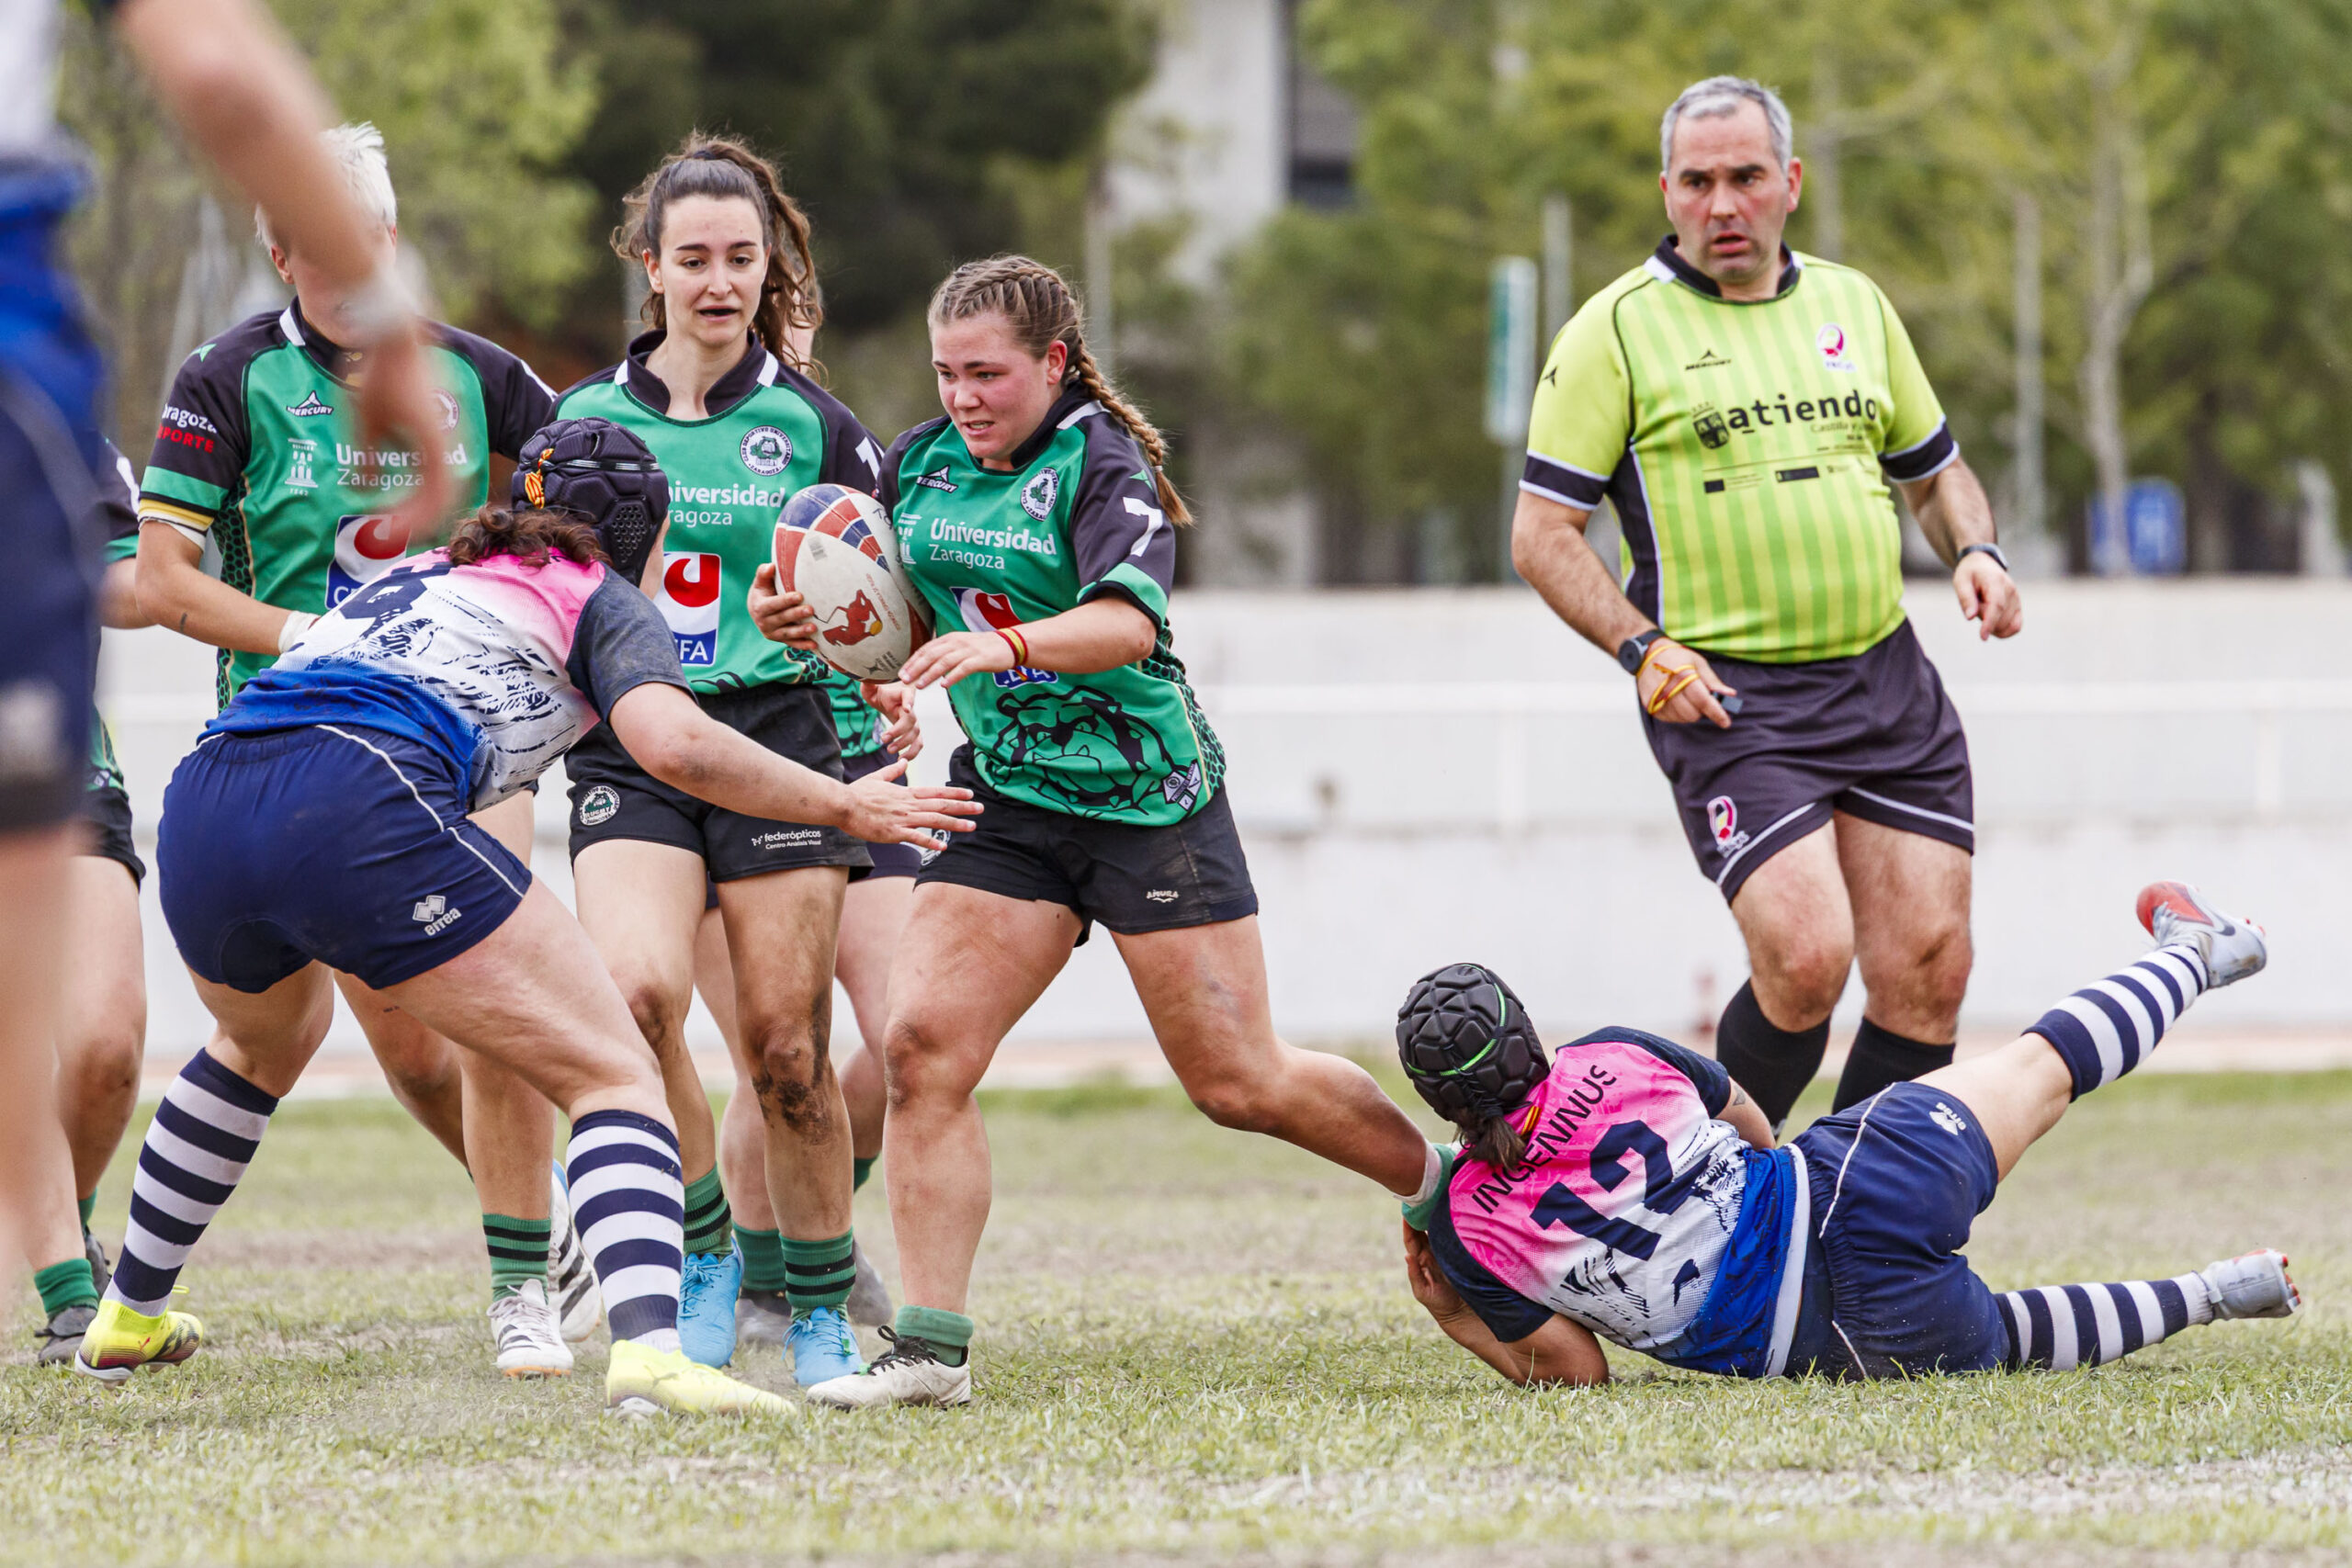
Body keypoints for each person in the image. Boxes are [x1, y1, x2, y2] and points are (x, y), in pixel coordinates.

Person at [74, 418, 976, 1415]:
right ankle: (651, 1350)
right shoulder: (604, 597)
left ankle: (131, 1309)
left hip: (208, 797)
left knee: (259, 1045)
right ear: (647, 530)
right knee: (611, 1069)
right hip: (354, 789)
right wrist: (845, 800)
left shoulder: (427, 570)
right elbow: (673, 745)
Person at [751, 254, 1449, 1410]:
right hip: (1012, 802)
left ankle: (1446, 1191)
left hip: (1144, 801)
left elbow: (1126, 623)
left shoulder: (1097, 463)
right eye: (946, 373)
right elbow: (910, 612)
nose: (964, 396)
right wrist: (824, 628)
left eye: (989, 374)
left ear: (1054, 366)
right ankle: (931, 1351)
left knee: (1236, 1082)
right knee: (922, 1051)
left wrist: (1006, 647)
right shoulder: (918, 464)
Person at [0, 0, 452, 1286]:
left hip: (361, 734)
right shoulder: (231, 371)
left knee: (124, 1036)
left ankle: (63, 1273)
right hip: (14, 346)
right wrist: (395, 326)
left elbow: (139, 583)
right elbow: (222, 74)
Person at [130, 122, 596, 1369]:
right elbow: (168, 580)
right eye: (309, 245)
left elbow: (593, 504)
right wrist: (310, 633)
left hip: (458, 733)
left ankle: (522, 1289)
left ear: (389, 239)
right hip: (292, 741)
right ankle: (544, 1239)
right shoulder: (224, 379)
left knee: (496, 1003)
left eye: (362, 242)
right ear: (277, 250)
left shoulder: (481, 377)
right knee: (404, 1043)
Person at [1509, 75, 2024, 1133]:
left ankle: (1859, 1232)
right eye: (1697, 182)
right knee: (1804, 959)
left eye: (1745, 177)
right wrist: (1640, 648)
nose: (1723, 204)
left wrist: (1973, 549)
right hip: (1728, 700)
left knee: (1929, 967)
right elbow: (1539, 536)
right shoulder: (1613, 331)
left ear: (1789, 183)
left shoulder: (1853, 305)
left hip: (1884, 682)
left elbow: (1933, 473)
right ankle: (1697, 1194)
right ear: (1668, 192)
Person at [1393, 884, 2298, 1386]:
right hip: (1852, 1182)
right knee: (2040, 1070)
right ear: (1525, 1031)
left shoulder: (1465, 1228)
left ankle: (2216, 1293)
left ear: (1440, 1102)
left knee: (2010, 1339)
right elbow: (1745, 1115)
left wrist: (1453, 1314)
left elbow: (1573, 1375)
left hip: (1829, 1344)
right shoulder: (1612, 1053)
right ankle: (2194, 954)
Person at [549, 133, 904, 1384]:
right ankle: (701, 1242)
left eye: (740, 259)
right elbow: (542, 592)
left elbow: (887, 613)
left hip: (776, 736)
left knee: (787, 1048)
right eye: (692, 257)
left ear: (768, 269)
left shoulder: (816, 426)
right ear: (650, 265)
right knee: (636, 996)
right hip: (634, 744)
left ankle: (809, 1305)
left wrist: (849, 646)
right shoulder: (582, 423)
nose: (718, 280)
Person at [718, 673, 909, 1343]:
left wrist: (897, 675)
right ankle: (764, 1282)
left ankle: (817, 1230)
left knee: (908, 1039)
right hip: (731, 757)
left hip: (856, 756)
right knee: (773, 1053)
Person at [23, 444, 150, 1364]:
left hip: (54, 756)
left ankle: (72, 1221)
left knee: (106, 1045)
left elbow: (130, 584)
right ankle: (70, 1293)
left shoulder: (54, 420)